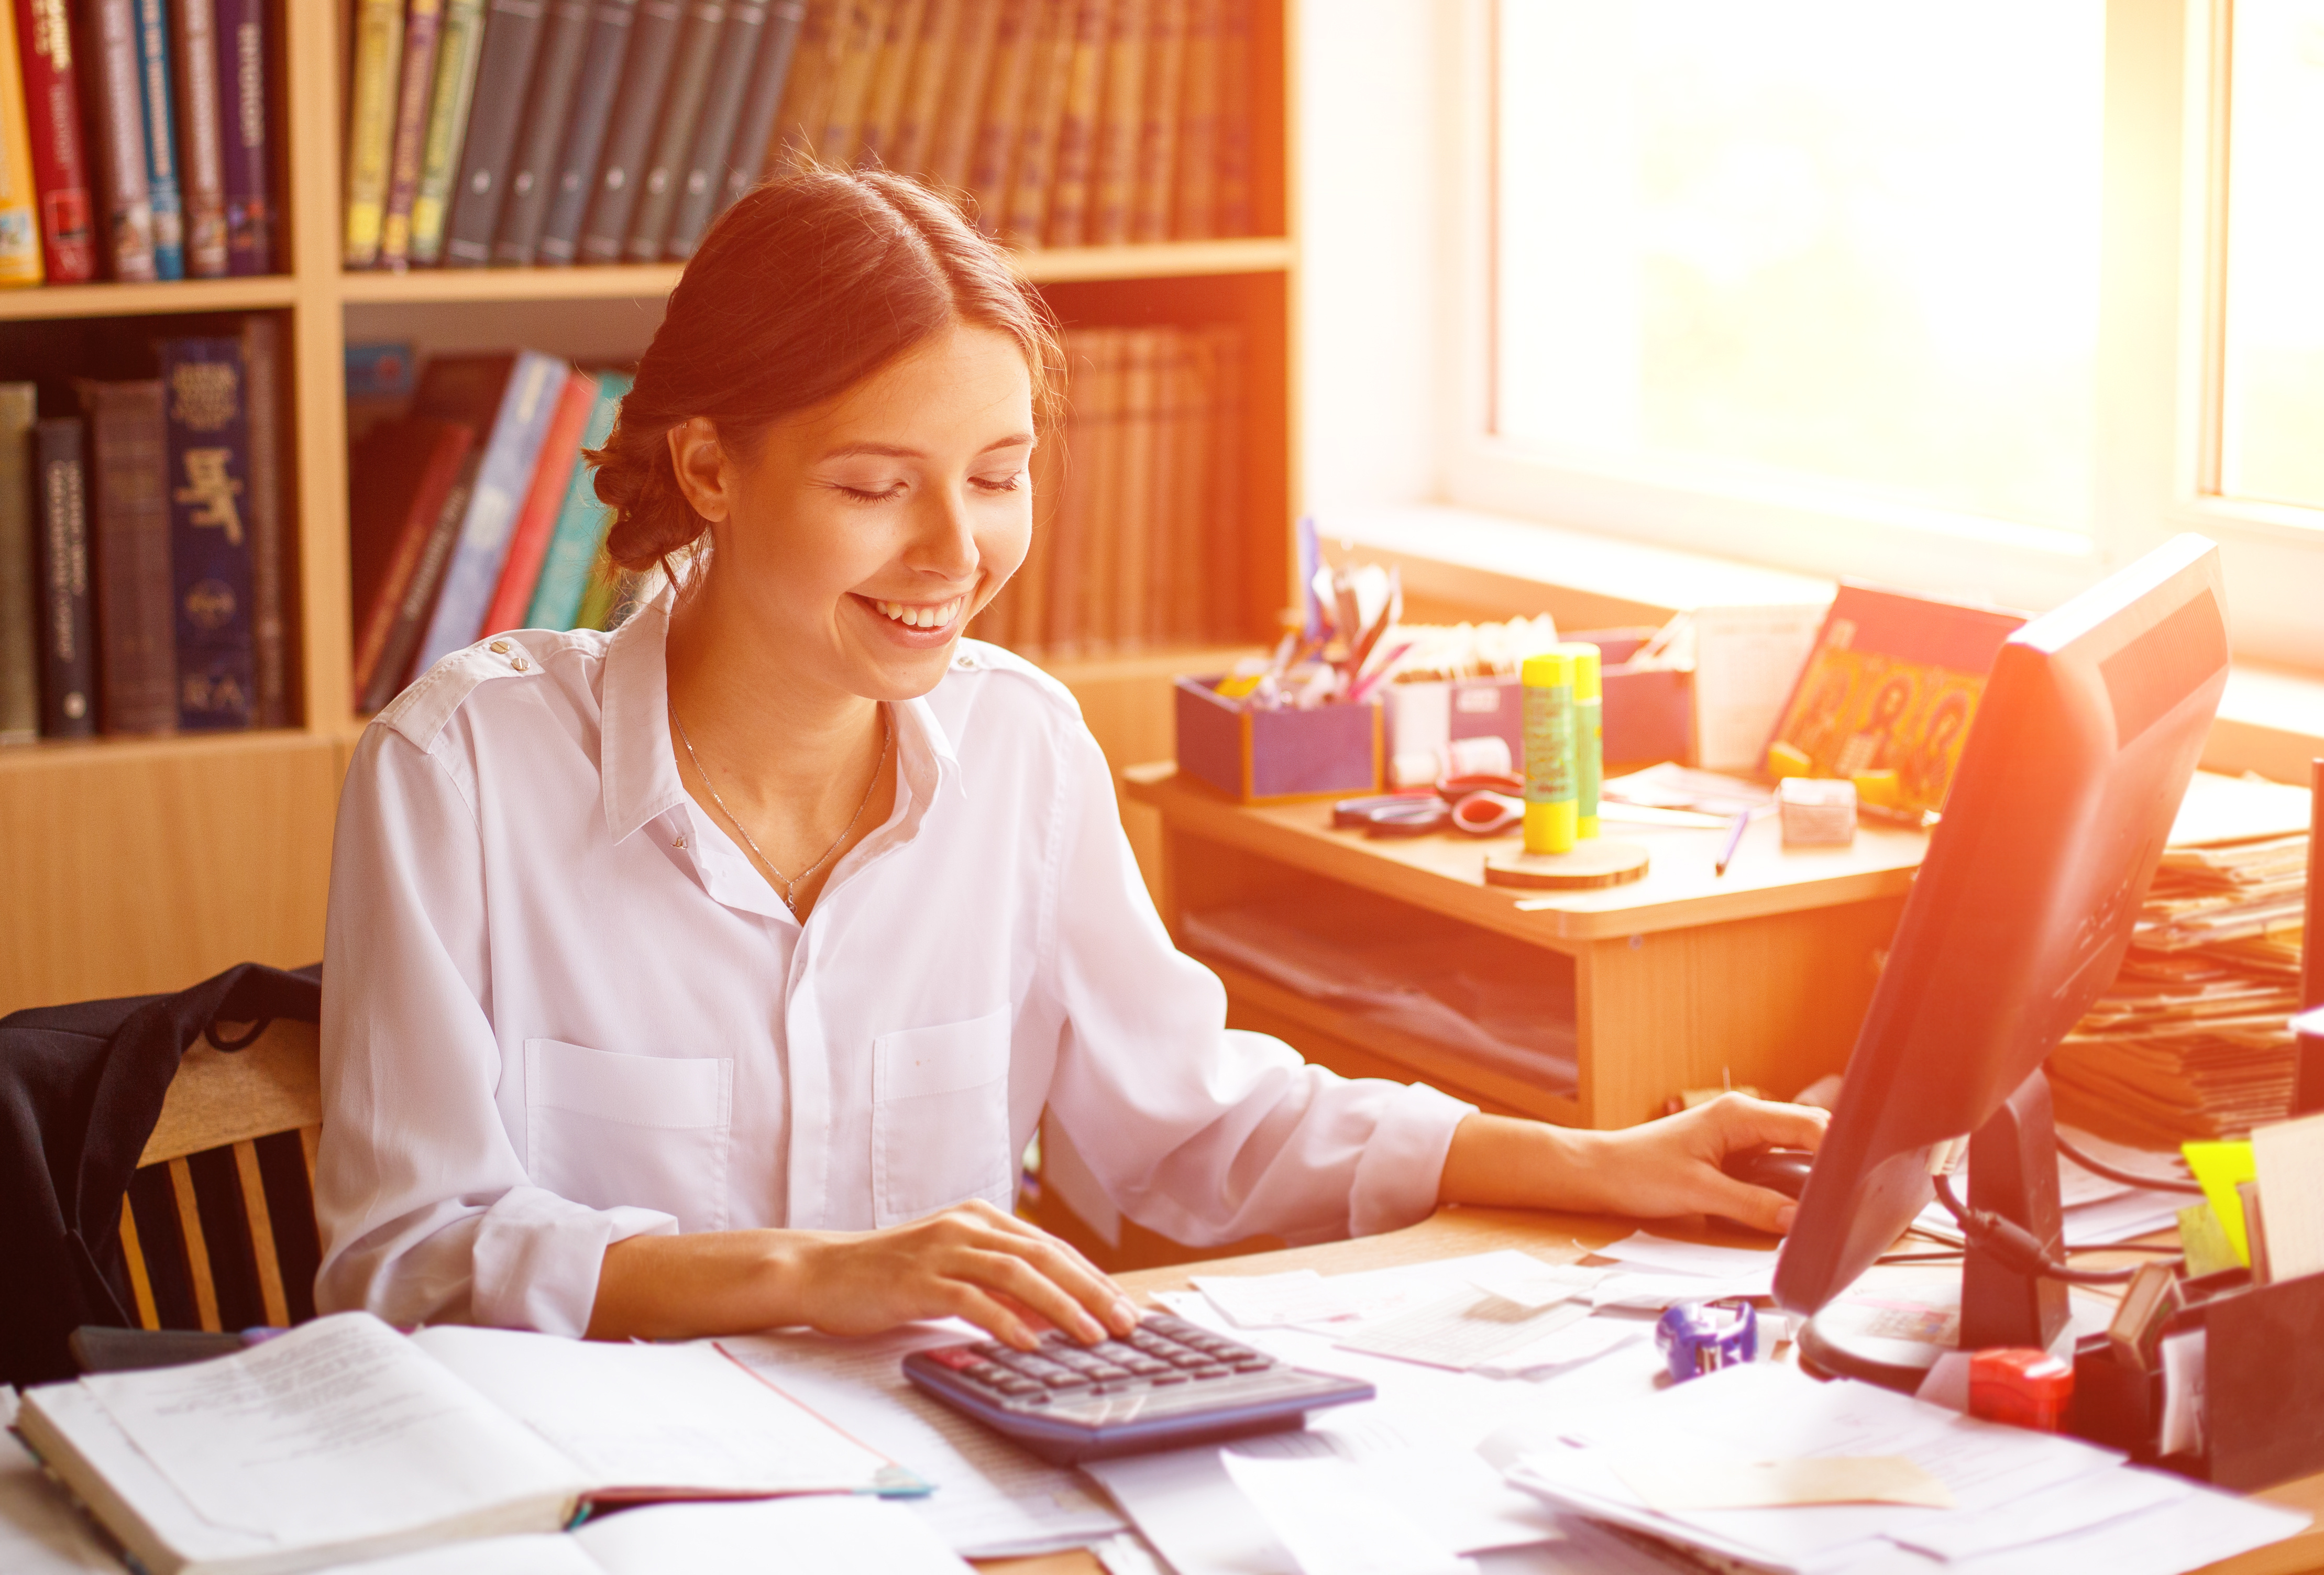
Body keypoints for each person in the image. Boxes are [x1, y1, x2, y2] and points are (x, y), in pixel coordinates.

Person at [316, 167, 1826, 1353]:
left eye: (998, 476)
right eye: (873, 485)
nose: (954, 555)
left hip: (945, 1485)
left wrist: (1602, 1162)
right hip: (609, 1504)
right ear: (711, 468)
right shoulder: (460, 772)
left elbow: (1193, 1127)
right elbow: (404, 1253)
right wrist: (810, 1275)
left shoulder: (1022, 746)